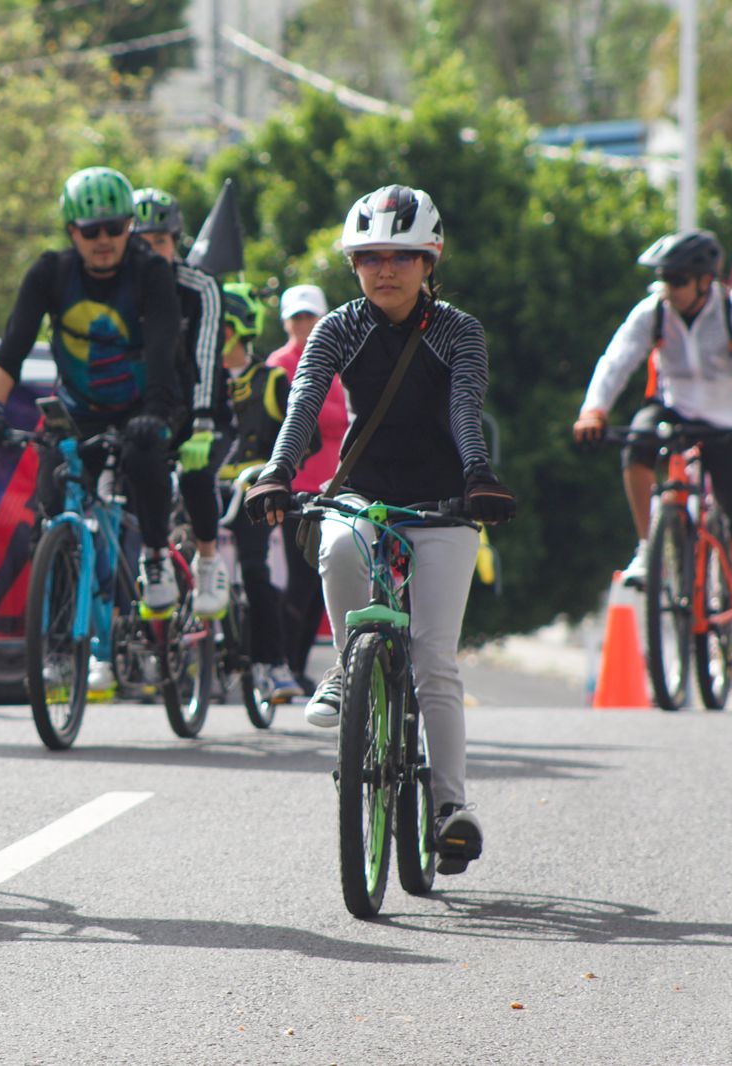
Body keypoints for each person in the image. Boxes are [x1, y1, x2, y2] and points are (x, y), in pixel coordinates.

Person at [246, 184, 515, 875]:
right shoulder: (337, 327)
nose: (384, 270)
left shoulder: (459, 330)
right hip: (363, 496)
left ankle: (452, 809)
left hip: (444, 506)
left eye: (402, 256)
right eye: (369, 257)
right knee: (335, 548)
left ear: (432, 261)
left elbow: (464, 407)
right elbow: (305, 401)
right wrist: (278, 471)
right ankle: (345, 665)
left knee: (433, 662)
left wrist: (478, 476)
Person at [0, 166, 183, 698]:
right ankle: (63, 640)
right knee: (53, 511)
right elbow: (13, 346)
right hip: (80, 407)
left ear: (128, 228)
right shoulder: (50, 273)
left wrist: (156, 413)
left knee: (143, 459)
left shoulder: (151, 272)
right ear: (72, 232)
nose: (104, 241)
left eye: (114, 228)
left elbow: (162, 350)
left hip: (143, 403)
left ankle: (156, 556)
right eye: (91, 231)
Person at [573, 230, 732, 675]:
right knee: (636, 445)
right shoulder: (654, 311)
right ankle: (649, 547)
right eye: (663, 278)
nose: (667, 287)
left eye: (677, 279)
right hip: (675, 409)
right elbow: (617, 359)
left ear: (705, 280)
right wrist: (594, 410)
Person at [132, 187, 230, 618]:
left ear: (177, 243)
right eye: (141, 243)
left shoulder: (200, 286)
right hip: (143, 413)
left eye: (160, 242)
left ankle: (208, 559)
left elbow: (206, 357)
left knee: (194, 475)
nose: (151, 252)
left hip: (199, 408)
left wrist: (204, 422)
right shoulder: (118, 290)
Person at [216, 282, 306, 704]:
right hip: (203, 488)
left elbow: (303, 435)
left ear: (237, 328)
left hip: (250, 490)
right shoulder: (199, 381)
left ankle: (273, 664)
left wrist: (274, 470)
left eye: (220, 328)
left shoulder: (270, 379)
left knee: (255, 571)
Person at [265, 283, 346, 690]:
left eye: (310, 316)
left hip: (332, 486)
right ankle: (281, 662)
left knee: (318, 579)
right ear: (285, 321)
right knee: (298, 578)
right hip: (295, 487)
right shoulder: (278, 364)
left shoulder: (336, 361)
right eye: (297, 317)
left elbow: (339, 417)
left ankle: (295, 667)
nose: (304, 324)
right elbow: (316, 415)